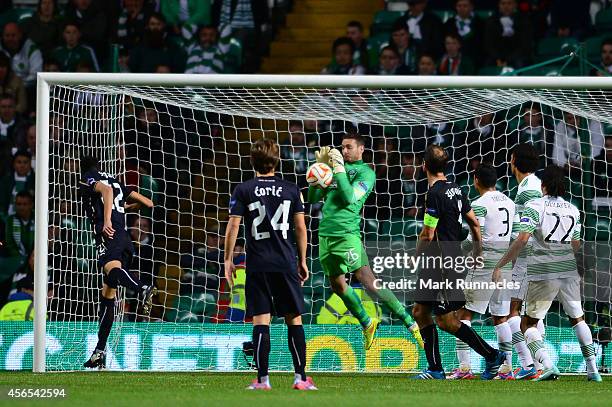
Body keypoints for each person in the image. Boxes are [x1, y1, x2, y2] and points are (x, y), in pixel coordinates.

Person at [307, 133, 423, 351]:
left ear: (361, 149)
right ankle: (368, 323)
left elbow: (350, 197)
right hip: (325, 235)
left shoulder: (366, 173)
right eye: (342, 148)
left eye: (349, 147)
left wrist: (339, 170)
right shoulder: (333, 170)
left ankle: (409, 322)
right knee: (337, 285)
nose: (344, 151)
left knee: (368, 280)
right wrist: (317, 171)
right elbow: (312, 198)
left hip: (346, 234)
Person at [493, 165, 602, 382]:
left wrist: (500, 264)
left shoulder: (535, 206)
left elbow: (522, 239)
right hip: (568, 270)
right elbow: (576, 244)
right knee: (578, 319)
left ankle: (548, 364)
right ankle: (593, 371)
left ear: (543, 185)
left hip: (543, 270)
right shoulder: (573, 209)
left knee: (528, 323)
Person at [224, 138, 316, 390]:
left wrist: (228, 259)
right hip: (285, 262)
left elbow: (233, 225)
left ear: (252, 160)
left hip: (258, 263)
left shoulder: (244, 189)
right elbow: (300, 227)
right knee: (293, 319)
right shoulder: (291, 189)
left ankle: (263, 380)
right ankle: (301, 378)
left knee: (261, 320)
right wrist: (303, 259)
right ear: (277, 160)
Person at [411, 144, 505, 380]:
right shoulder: (457, 189)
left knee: (446, 321)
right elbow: (473, 222)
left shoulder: (434, 194)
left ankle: (492, 355)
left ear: (424, 166)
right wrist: (478, 251)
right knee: (420, 311)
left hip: (443, 264)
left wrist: (416, 255)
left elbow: (428, 234)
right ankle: (435, 369)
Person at [79, 155, 156, 369]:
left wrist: (106, 221)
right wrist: (121, 209)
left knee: (111, 273)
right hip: (124, 236)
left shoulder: (88, 177)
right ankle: (100, 351)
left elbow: (106, 192)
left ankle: (142, 287)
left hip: (109, 233)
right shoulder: (116, 179)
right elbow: (148, 203)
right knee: (108, 295)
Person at [450, 164, 516, 380]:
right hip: (504, 262)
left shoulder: (478, 204)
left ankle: (464, 368)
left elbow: (473, 237)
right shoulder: (509, 202)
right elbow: (515, 235)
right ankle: (507, 369)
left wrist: (459, 251)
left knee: (463, 314)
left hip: (484, 263)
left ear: (475, 180)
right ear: (495, 181)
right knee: (501, 318)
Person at [506, 142, 544, 380]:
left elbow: (526, 229)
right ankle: (540, 363)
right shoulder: (535, 184)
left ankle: (530, 364)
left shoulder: (528, 189)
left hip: (526, 256)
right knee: (532, 314)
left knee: (513, 311)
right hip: (540, 254)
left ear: (514, 161)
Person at [483, 0, 533, 68]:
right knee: (487, 65)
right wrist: (498, 59)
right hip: (497, 57)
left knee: (519, 63)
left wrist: (508, 60)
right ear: (499, 5)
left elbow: (525, 45)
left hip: (517, 56)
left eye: (509, 3)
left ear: (515, 5)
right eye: (503, 3)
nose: (506, 6)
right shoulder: (491, 21)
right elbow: (489, 44)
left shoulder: (524, 20)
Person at [0, 22, 43, 89]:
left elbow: (35, 75)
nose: (10, 39)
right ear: (2, 36)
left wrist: (18, 85)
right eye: (7, 35)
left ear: (20, 35)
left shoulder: (32, 49)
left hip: (25, 88)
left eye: (13, 35)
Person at [443, 0, 484, 66]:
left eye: (465, 6)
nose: (461, 8)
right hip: (453, 60)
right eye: (459, 6)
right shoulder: (449, 23)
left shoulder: (480, 24)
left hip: (474, 60)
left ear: (471, 7)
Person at [0, 150, 35, 223]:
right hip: (6, 220)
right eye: (19, 162)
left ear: (30, 164)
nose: (22, 165)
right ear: (14, 164)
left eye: (25, 162)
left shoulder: (36, 181)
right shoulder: (5, 181)